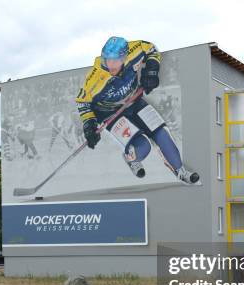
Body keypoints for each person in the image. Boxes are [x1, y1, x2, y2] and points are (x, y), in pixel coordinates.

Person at [75, 36, 199, 184]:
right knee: (143, 146)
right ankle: (131, 158)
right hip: (110, 113)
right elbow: (83, 102)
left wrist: (151, 71)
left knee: (161, 132)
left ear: (125, 57)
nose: (110, 65)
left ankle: (181, 171)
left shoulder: (135, 49)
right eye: (107, 59)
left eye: (115, 60)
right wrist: (89, 125)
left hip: (134, 101)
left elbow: (152, 50)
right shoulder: (95, 78)